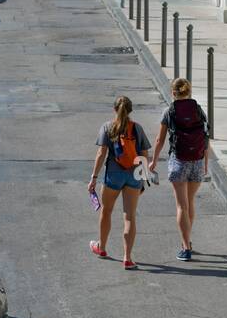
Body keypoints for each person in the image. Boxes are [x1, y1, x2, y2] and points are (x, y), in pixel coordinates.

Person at [88, 96, 151, 270]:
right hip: (133, 175)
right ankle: (127, 258)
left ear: (114, 109)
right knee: (129, 217)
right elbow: (145, 154)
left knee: (106, 211)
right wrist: (143, 178)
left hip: (114, 175)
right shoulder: (137, 128)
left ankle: (101, 248)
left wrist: (94, 177)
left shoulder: (108, 127)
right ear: (130, 110)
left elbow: (101, 154)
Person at [150, 78, 209, 261]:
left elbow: (159, 140)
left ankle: (185, 247)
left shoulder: (169, 112)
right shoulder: (198, 110)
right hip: (197, 162)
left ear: (172, 93)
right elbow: (205, 138)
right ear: (189, 92)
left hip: (179, 162)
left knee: (181, 206)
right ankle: (188, 241)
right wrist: (205, 163)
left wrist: (153, 161)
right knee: (190, 202)